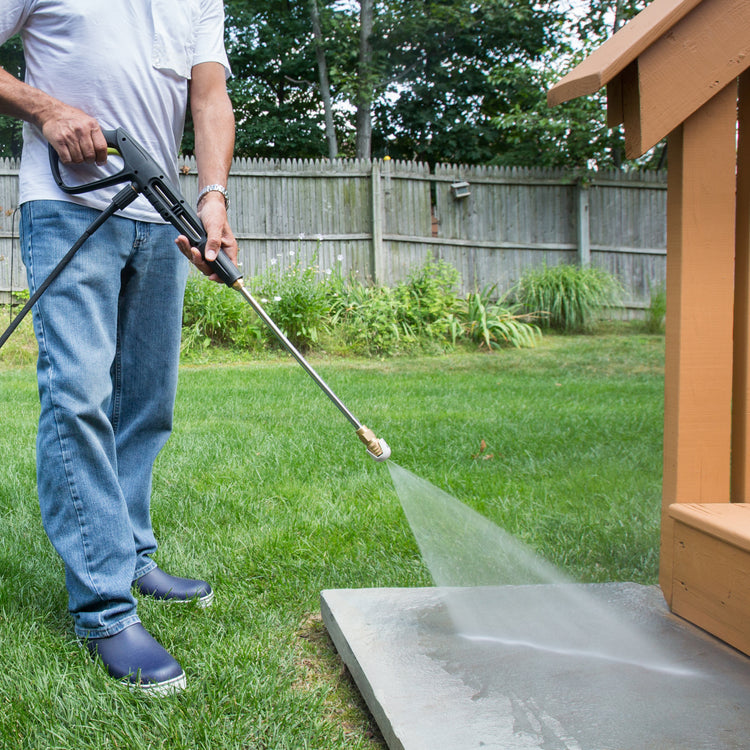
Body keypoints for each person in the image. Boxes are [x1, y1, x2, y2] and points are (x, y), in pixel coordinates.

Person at [0, 1, 238, 694]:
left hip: (159, 213)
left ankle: (132, 553)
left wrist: (213, 197)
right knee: (78, 395)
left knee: (146, 401)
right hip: (67, 203)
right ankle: (105, 607)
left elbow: (210, 95)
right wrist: (45, 109)